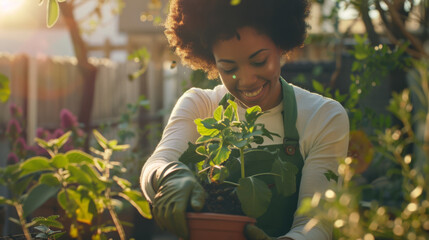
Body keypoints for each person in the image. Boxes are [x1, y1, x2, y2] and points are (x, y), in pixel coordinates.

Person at [140, 0, 349, 239]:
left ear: (280, 45)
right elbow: (156, 163)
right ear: (211, 60)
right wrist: (168, 176)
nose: (247, 80)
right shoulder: (201, 105)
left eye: (259, 61)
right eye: (229, 68)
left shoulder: (322, 116)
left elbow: (317, 226)